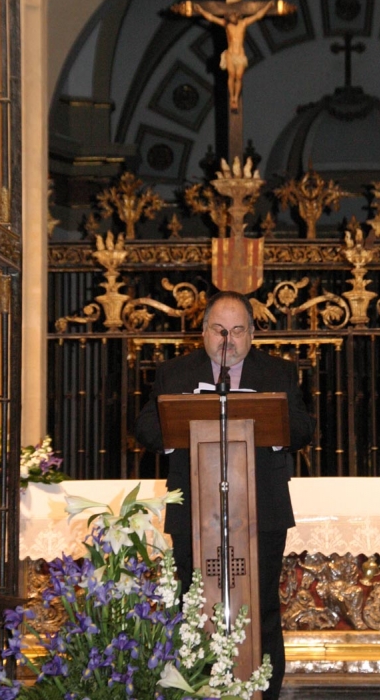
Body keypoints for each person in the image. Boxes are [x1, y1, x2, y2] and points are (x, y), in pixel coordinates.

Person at [136, 290, 314, 700]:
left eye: (237, 330)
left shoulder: (278, 374)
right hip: (195, 513)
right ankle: (196, 690)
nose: (228, 339)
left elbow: (305, 429)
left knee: (261, 608)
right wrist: (180, 426)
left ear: (252, 334)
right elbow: (145, 430)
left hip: (261, 510)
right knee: (192, 606)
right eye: (219, 330)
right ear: (203, 333)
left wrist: (272, 425)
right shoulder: (175, 374)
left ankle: (262, 694)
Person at [193, 0, 275, 111]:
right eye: (229, 16)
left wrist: (268, 6)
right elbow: (211, 18)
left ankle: (236, 97)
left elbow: (257, 16)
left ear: (237, 15)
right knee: (232, 76)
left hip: (240, 55)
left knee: (239, 77)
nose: (231, 17)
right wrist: (201, 10)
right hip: (231, 55)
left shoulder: (244, 23)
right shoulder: (226, 25)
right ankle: (232, 98)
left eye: (233, 15)